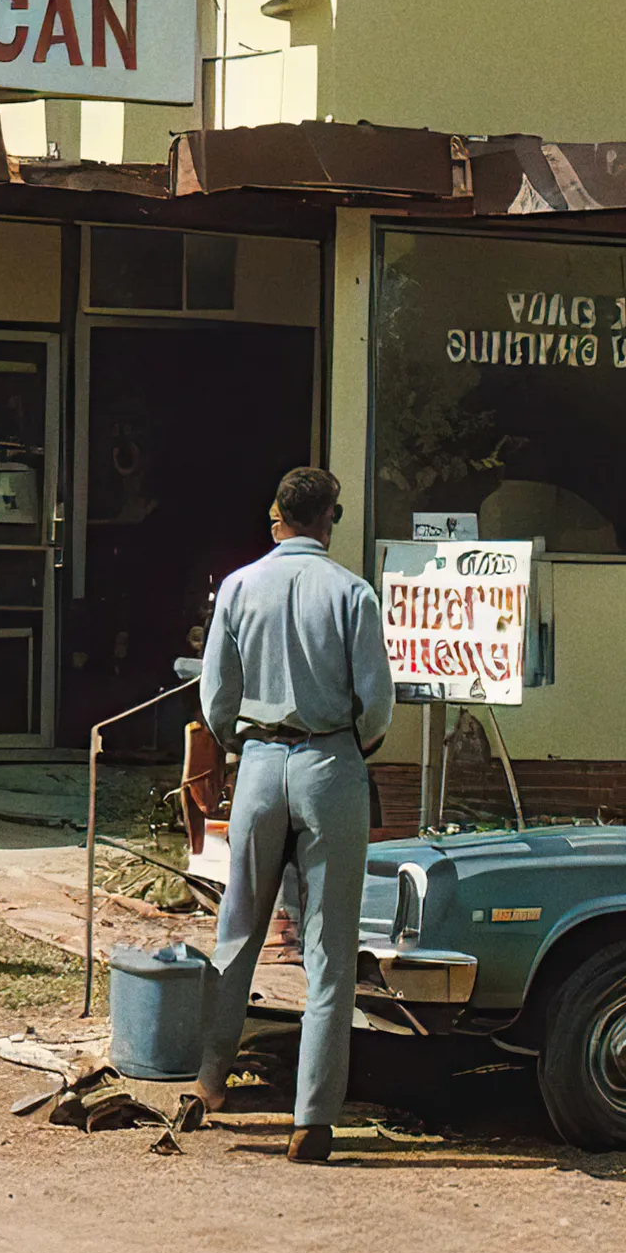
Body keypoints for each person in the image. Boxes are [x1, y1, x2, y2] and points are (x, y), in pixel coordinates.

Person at [180, 465, 394, 1163]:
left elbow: (215, 696)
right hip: (331, 763)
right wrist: (347, 746)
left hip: (261, 766)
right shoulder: (352, 592)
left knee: (236, 929)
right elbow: (378, 703)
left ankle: (209, 1081)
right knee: (329, 952)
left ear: (278, 517)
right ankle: (312, 1117)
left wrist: (241, 740)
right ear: (330, 519)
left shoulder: (240, 586)